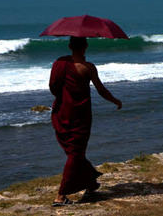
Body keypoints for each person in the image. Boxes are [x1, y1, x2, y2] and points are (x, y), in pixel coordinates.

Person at [49, 36, 122, 206]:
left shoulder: (60, 63)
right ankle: (61, 196)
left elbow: (53, 87)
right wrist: (116, 101)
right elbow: (101, 90)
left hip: (62, 112)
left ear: (69, 46)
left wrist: (64, 97)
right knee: (75, 153)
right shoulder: (88, 68)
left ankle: (91, 184)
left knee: (75, 152)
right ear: (86, 46)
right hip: (81, 115)